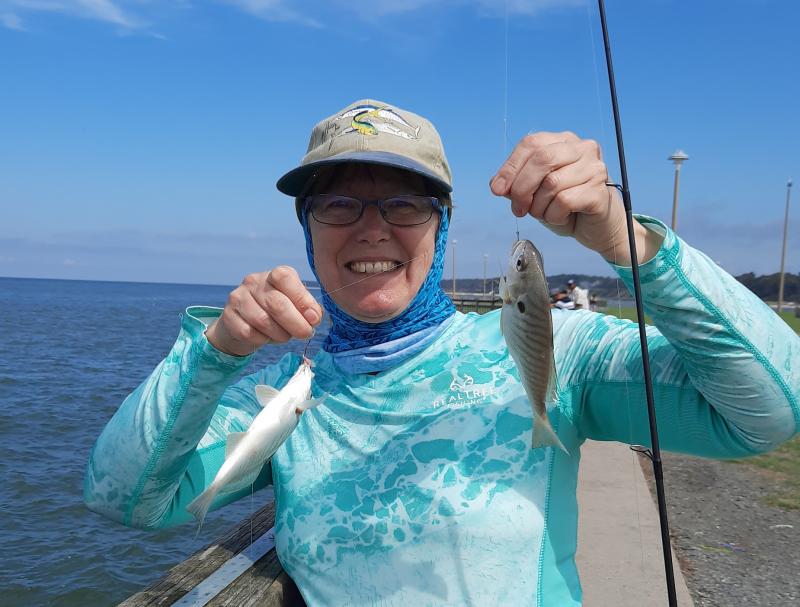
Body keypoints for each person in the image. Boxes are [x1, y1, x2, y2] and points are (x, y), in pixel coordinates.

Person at [84, 99, 800, 607]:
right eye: (337, 203)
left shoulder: (561, 354)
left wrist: (632, 244)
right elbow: (126, 497)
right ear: (307, 228)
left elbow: (768, 410)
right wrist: (212, 352)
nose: (371, 229)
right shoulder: (288, 391)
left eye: (405, 202)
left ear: (444, 226)